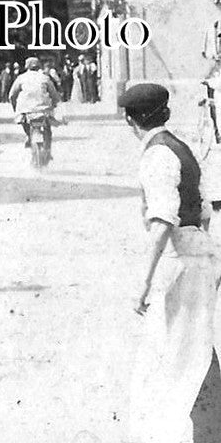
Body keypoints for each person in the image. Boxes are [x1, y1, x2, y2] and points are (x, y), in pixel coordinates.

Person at [119, 83, 220, 443]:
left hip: (180, 262)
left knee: (176, 358)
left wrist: (143, 284)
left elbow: (163, 221)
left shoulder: (157, 156)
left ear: (131, 121)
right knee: (193, 349)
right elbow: (204, 210)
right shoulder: (180, 147)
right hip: (197, 257)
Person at [8, 57, 60, 152]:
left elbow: (11, 95)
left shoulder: (21, 78)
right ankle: (48, 149)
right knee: (47, 128)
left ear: (26, 66)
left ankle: (28, 136)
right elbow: (54, 94)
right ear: (38, 66)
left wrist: (15, 107)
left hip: (27, 111)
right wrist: (54, 104)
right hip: (43, 110)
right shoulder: (45, 78)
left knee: (23, 121)